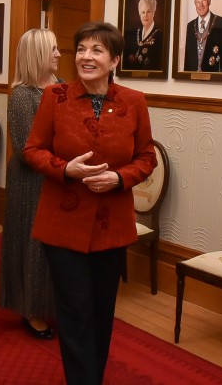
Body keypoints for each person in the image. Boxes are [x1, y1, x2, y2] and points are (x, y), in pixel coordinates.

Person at [23, 22, 157, 385]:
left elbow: (147, 157)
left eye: (96, 50)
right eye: (81, 49)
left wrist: (119, 178)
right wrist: (65, 169)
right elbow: (32, 150)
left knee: (101, 311)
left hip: (111, 226)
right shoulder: (55, 97)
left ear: (114, 60)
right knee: (76, 311)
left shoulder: (134, 102)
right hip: (62, 224)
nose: (86, 56)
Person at [0, 28, 62, 340]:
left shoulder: (62, 88)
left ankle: (52, 302)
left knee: (55, 248)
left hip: (60, 177)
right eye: (53, 49)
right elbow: (26, 148)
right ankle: (31, 309)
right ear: (37, 54)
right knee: (32, 245)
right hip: (31, 181)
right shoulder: (22, 95)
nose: (59, 55)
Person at [183, 0, 222, 73]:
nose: (201, 5)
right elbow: (188, 60)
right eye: (198, 2)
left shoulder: (221, 23)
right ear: (195, 4)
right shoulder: (190, 26)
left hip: (213, 79)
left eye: (204, 1)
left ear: (209, 1)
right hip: (193, 80)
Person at [123, 0, 163, 70]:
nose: (145, 15)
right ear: (139, 14)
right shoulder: (133, 35)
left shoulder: (160, 36)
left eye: (148, 11)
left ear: (153, 13)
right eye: (143, 12)